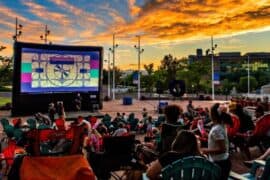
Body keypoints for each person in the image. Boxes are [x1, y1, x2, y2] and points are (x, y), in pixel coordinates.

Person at [201, 103, 231, 180]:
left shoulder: (216, 129)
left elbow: (222, 149)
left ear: (213, 115)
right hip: (223, 162)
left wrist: (205, 150)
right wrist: (208, 135)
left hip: (219, 163)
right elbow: (218, 139)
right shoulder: (221, 125)